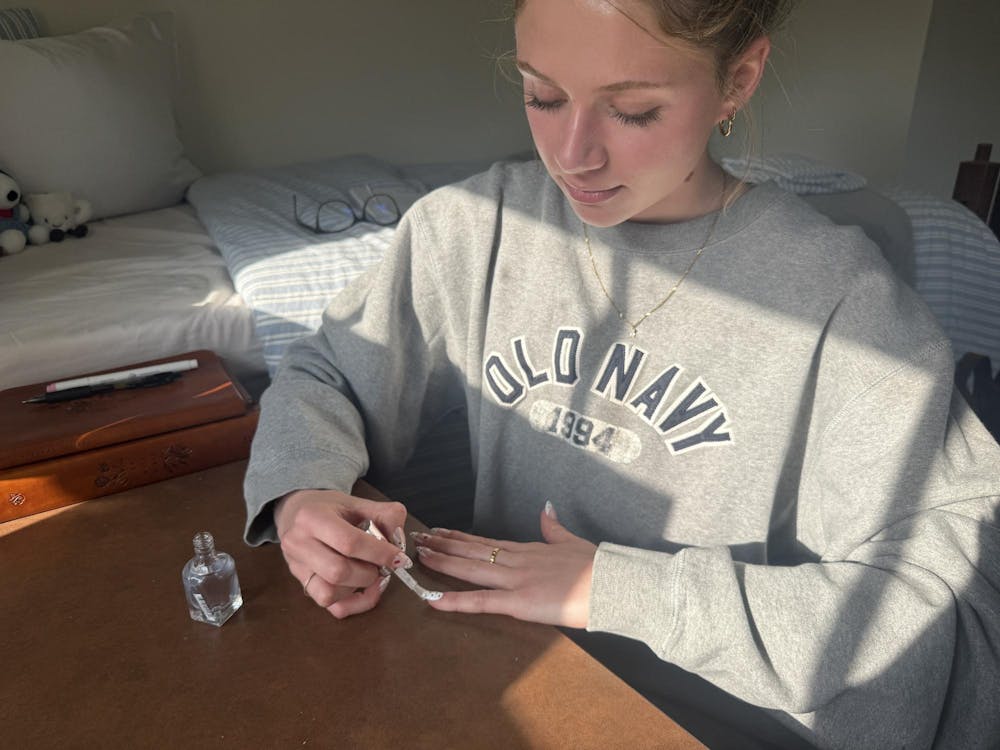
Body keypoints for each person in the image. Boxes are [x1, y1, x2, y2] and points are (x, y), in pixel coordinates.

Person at [243, 1, 1000, 747]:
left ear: (737, 81)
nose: (573, 154)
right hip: (490, 678)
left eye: (633, 111)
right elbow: (327, 370)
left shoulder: (847, 308)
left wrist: (619, 590)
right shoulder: (475, 228)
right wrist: (302, 490)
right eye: (543, 95)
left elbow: (951, 624)